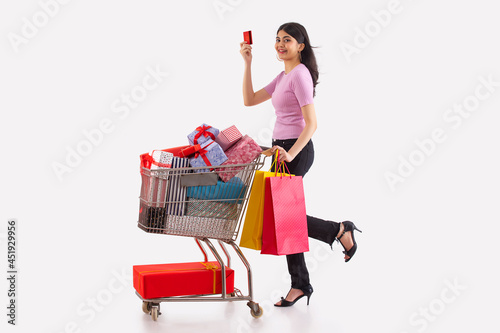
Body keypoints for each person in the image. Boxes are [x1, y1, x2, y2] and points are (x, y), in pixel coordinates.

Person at [239, 22, 362, 307]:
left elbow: (312, 124)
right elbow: (249, 100)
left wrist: (291, 153)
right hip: (281, 150)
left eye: (288, 40)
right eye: (278, 40)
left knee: (286, 220)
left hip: (296, 150)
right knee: (284, 221)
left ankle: (336, 233)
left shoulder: (300, 75)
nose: (281, 45)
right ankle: (305, 278)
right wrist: (248, 63)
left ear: (300, 46)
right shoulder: (284, 76)